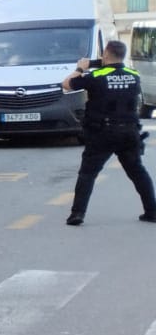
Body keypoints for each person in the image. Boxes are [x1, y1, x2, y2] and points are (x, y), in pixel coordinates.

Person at [60, 40, 156, 226]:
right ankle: (152, 211)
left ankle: (77, 214)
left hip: (102, 132)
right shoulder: (134, 75)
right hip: (129, 132)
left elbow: (66, 84)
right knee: (138, 172)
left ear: (105, 54)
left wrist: (80, 68)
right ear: (123, 55)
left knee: (88, 173)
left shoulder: (96, 76)